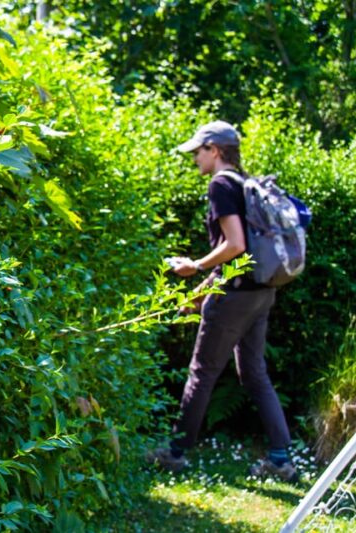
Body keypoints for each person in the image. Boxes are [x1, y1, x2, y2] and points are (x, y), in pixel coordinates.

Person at [150, 121, 297, 482]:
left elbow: (235, 246)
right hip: (260, 292)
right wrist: (200, 295)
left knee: (202, 372)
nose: (195, 159)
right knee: (254, 373)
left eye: (198, 152)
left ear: (214, 150)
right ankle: (281, 460)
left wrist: (193, 266)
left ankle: (174, 453)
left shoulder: (220, 185)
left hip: (234, 297)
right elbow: (239, 259)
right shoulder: (246, 183)